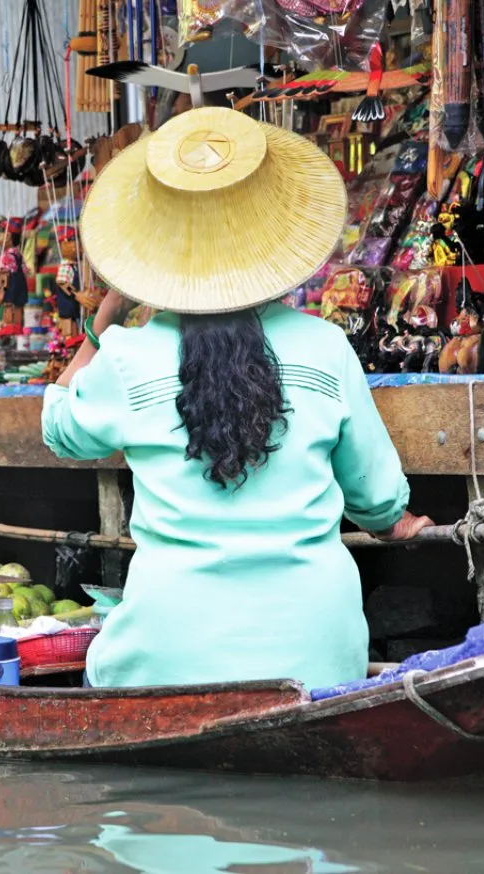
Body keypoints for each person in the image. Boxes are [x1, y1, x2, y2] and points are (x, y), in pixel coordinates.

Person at [41, 107, 432, 691]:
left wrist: (105, 320)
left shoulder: (127, 357)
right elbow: (376, 504)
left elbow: (59, 429)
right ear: (271, 238)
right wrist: (396, 522)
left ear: (153, 250)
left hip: (165, 661)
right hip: (319, 659)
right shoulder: (325, 347)